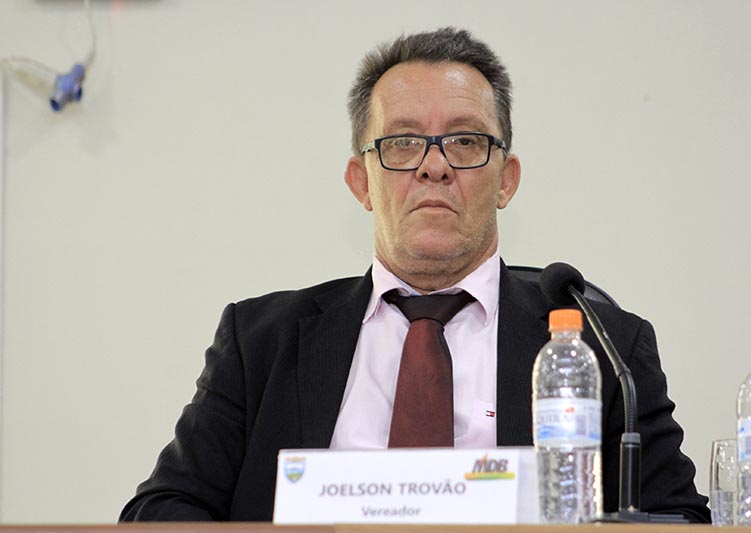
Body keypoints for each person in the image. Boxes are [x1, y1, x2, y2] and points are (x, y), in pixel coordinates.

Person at [120, 27, 710, 523]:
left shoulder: (605, 347)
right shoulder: (260, 343)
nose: (434, 166)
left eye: (465, 141)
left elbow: (678, 518)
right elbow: (161, 510)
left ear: (506, 180)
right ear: (361, 182)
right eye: (402, 143)